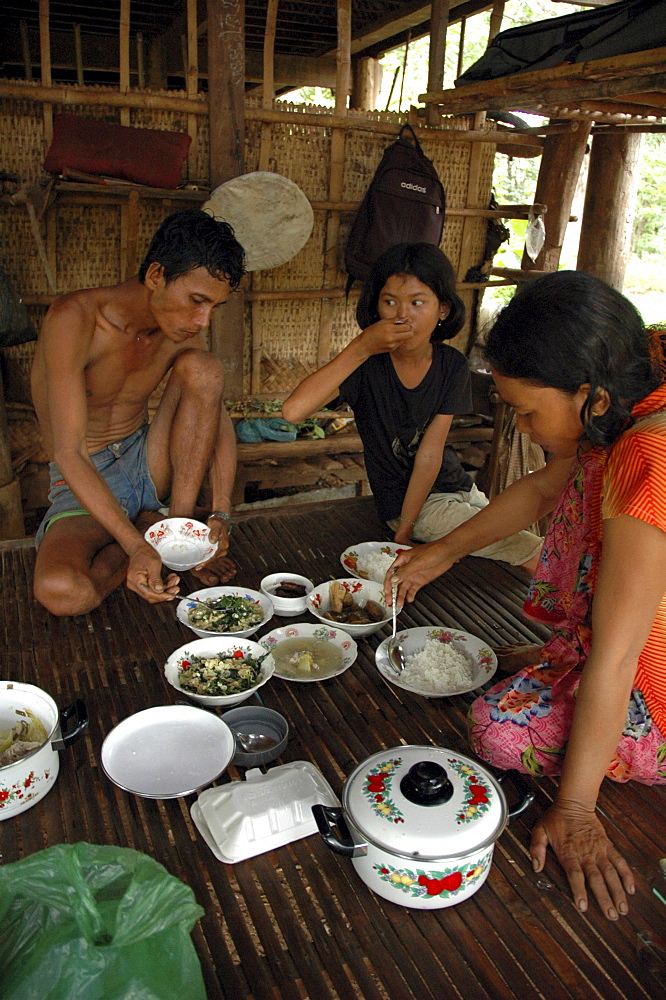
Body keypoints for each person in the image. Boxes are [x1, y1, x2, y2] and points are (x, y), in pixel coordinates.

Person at [387, 270, 666, 921]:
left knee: (498, 732)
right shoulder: (630, 398)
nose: (521, 424)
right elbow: (544, 490)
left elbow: (623, 658)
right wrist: (441, 551)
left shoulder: (646, 460)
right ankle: (569, 656)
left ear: (590, 397)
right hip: (625, 639)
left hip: (653, 682)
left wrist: (575, 810)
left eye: (526, 410)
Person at [31, 208, 246, 616]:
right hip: (83, 479)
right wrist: (134, 547)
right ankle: (147, 539)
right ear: (155, 276)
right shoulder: (74, 319)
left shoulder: (177, 331)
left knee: (205, 367)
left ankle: (178, 539)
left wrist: (220, 515)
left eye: (214, 308)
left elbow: (215, 415)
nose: (202, 321)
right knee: (63, 592)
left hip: (147, 459)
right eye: (197, 301)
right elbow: (69, 452)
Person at [282, 243, 542, 571]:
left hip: (461, 488)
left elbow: (431, 453)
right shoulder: (366, 365)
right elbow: (293, 412)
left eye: (417, 302)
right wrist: (361, 346)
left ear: (442, 310)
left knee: (518, 541)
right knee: (535, 552)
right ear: (376, 308)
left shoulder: (451, 364)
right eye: (389, 302)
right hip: (411, 507)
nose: (401, 315)